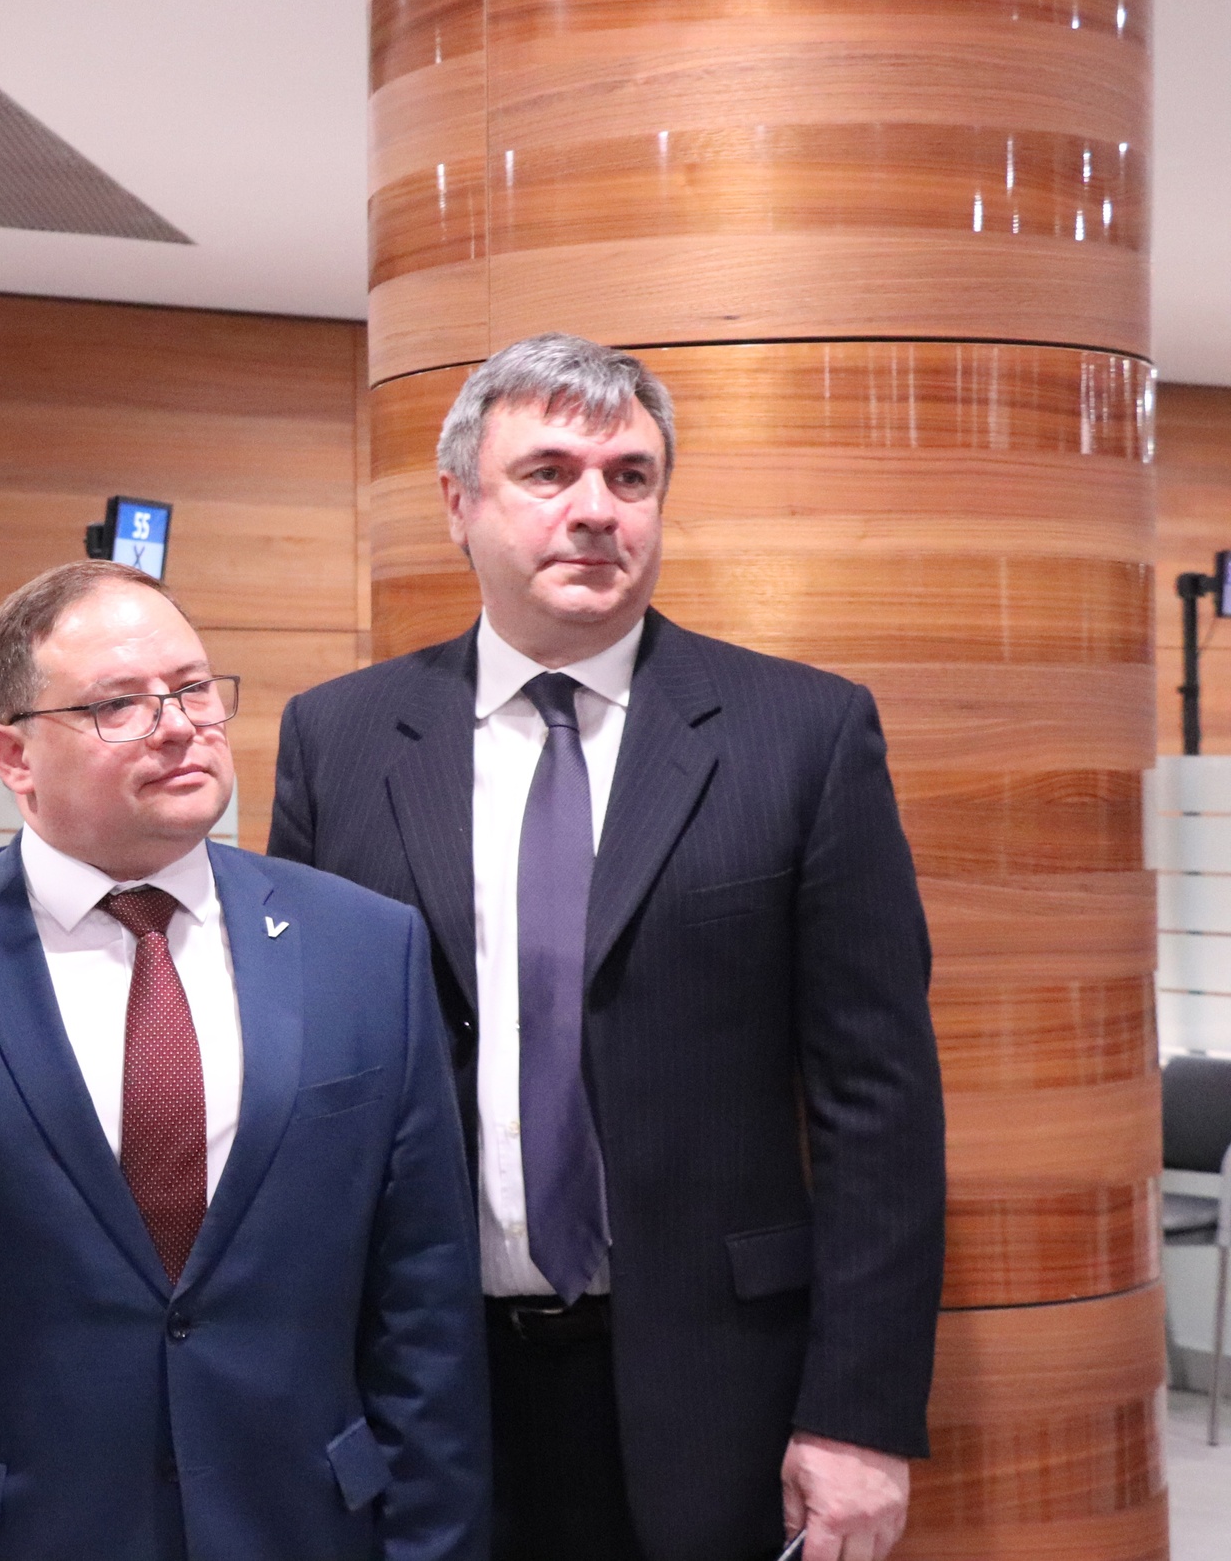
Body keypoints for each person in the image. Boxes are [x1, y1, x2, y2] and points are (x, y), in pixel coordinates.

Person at [268, 333, 947, 1561]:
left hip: (716, 1386)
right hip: (425, 1381)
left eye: (630, 477)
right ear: (458, 505)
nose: (594, 510)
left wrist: (858, 1416)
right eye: (547, 473)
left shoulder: (803, 735)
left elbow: (879, 1104)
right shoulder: (340, 740)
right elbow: (310, 1087)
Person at [0, 560, 489, 1561]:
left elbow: (423, 1307)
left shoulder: (367, 947)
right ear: (13, 755)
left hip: (305, 1525)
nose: (178, 725)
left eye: (193, 688)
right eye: (117, 704)